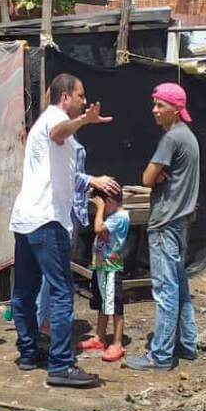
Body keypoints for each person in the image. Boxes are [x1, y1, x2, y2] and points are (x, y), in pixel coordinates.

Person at [9, 73, 112, 388]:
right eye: (81, 95)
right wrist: (84, 119)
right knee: (61, 290)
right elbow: (58, 132)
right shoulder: (55, 119)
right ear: (66, 96)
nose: (84, 100)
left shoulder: (44, 122)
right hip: (46, 219)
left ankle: (28, 352)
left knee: (25, 290)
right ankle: (61, 365)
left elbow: (66, 169)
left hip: (26, 218)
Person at [126, 83, 200, 371]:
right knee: (179, 284)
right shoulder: (189, 138)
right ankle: (187, 343)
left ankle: (160, 355)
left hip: (166, 221)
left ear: (176, 109)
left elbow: (146, 178)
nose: (154, 110)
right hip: (181, 221)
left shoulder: (171, 139)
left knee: (165, 289)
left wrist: (155, 175)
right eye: (154, 104)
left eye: (160, 105)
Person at [36, 128, 120, 332]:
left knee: (56, 269)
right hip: (59, 212)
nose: (83, 104)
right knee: (53, 270)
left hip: (70, 210)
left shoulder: (69, 136)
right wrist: (92, 181)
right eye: (79, 96)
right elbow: (61, 175)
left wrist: (90, 190)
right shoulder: (55, 135)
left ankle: (47, 318)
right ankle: (44, 319)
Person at [78, 189, 130, 362]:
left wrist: (99, 209)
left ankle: (117, 343)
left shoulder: (120, 217)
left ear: (108, 201)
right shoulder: (114, 216)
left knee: (115, 305)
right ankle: (100, 338)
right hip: (102, 266)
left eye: (102, 204)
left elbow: (98, 228)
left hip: (111, 267)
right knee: (103, 302)